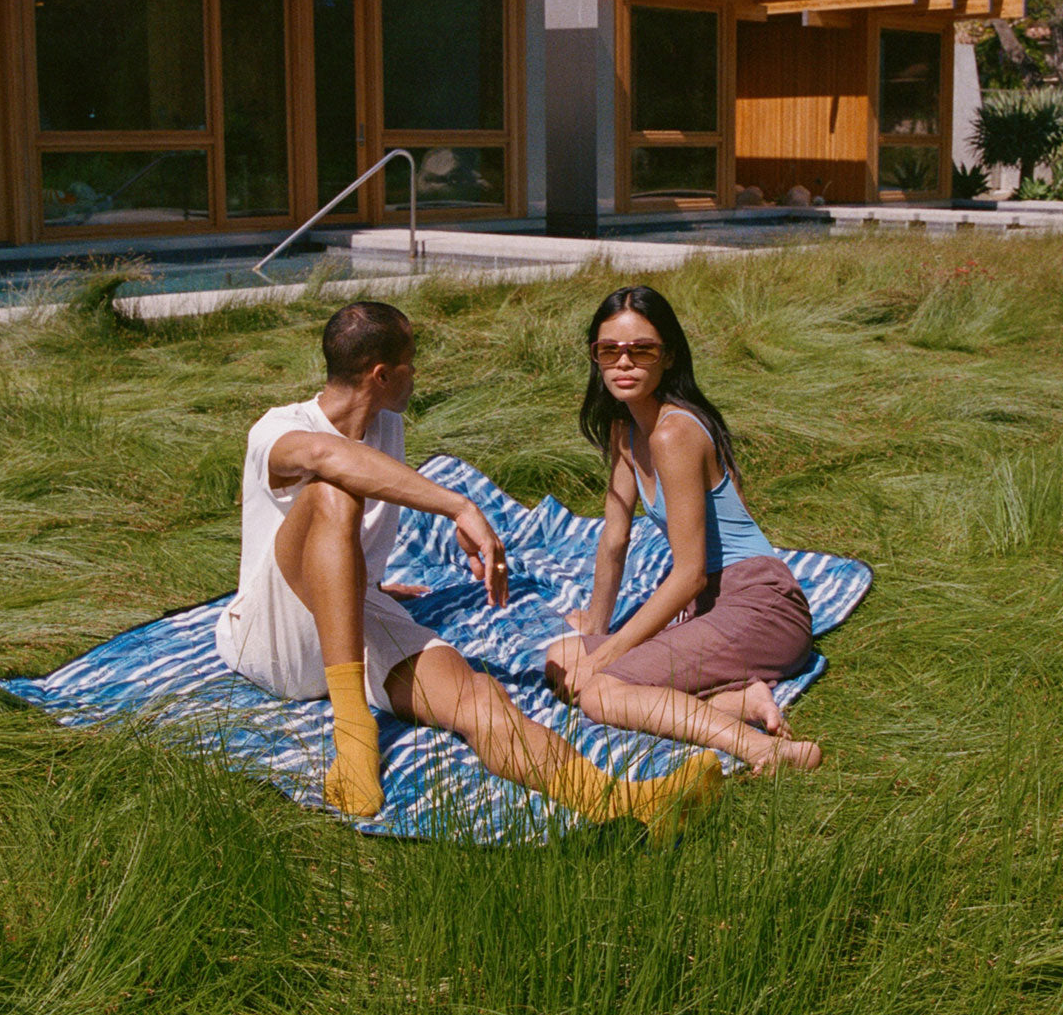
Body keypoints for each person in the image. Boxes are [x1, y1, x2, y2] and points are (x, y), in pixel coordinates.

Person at [216, 299, 722, 837]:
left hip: (348, 618)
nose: (419, 373)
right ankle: (353, 733)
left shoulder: (387, 425)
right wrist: (459, 505)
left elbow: (346, 515)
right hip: (270, 641)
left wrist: (362, 581)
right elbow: (330, 459)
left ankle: (623, 802)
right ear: (383, 374)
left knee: (478, 696)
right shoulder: (278, 429)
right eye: (412, 361)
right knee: (332, 494)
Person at [544, 285, 822, 773]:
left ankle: (765, 750)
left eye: (641, 350)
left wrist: (606, 655)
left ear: (667, 356)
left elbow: (690, 573)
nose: (623, 363)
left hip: (759, 604)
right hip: (710, 606)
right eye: (609, 350)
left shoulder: (674, 432)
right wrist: (596, 625)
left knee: (601, 694)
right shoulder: (625, 429)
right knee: (562, 657)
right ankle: (740, 699)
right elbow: (614, 540)